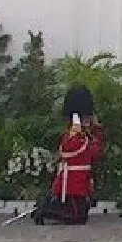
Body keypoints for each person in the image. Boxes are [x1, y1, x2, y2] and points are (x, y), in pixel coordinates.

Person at [34, 85, 103, 226]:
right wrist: (82, 131)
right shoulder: (74, 133)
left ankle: (46, 208)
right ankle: (43, 210)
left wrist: (94, 129)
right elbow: (69, 148)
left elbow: (95, 151)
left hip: (80, 181)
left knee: (80, 216)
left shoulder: (84, 132)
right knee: (76, 217)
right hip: (71, 183)